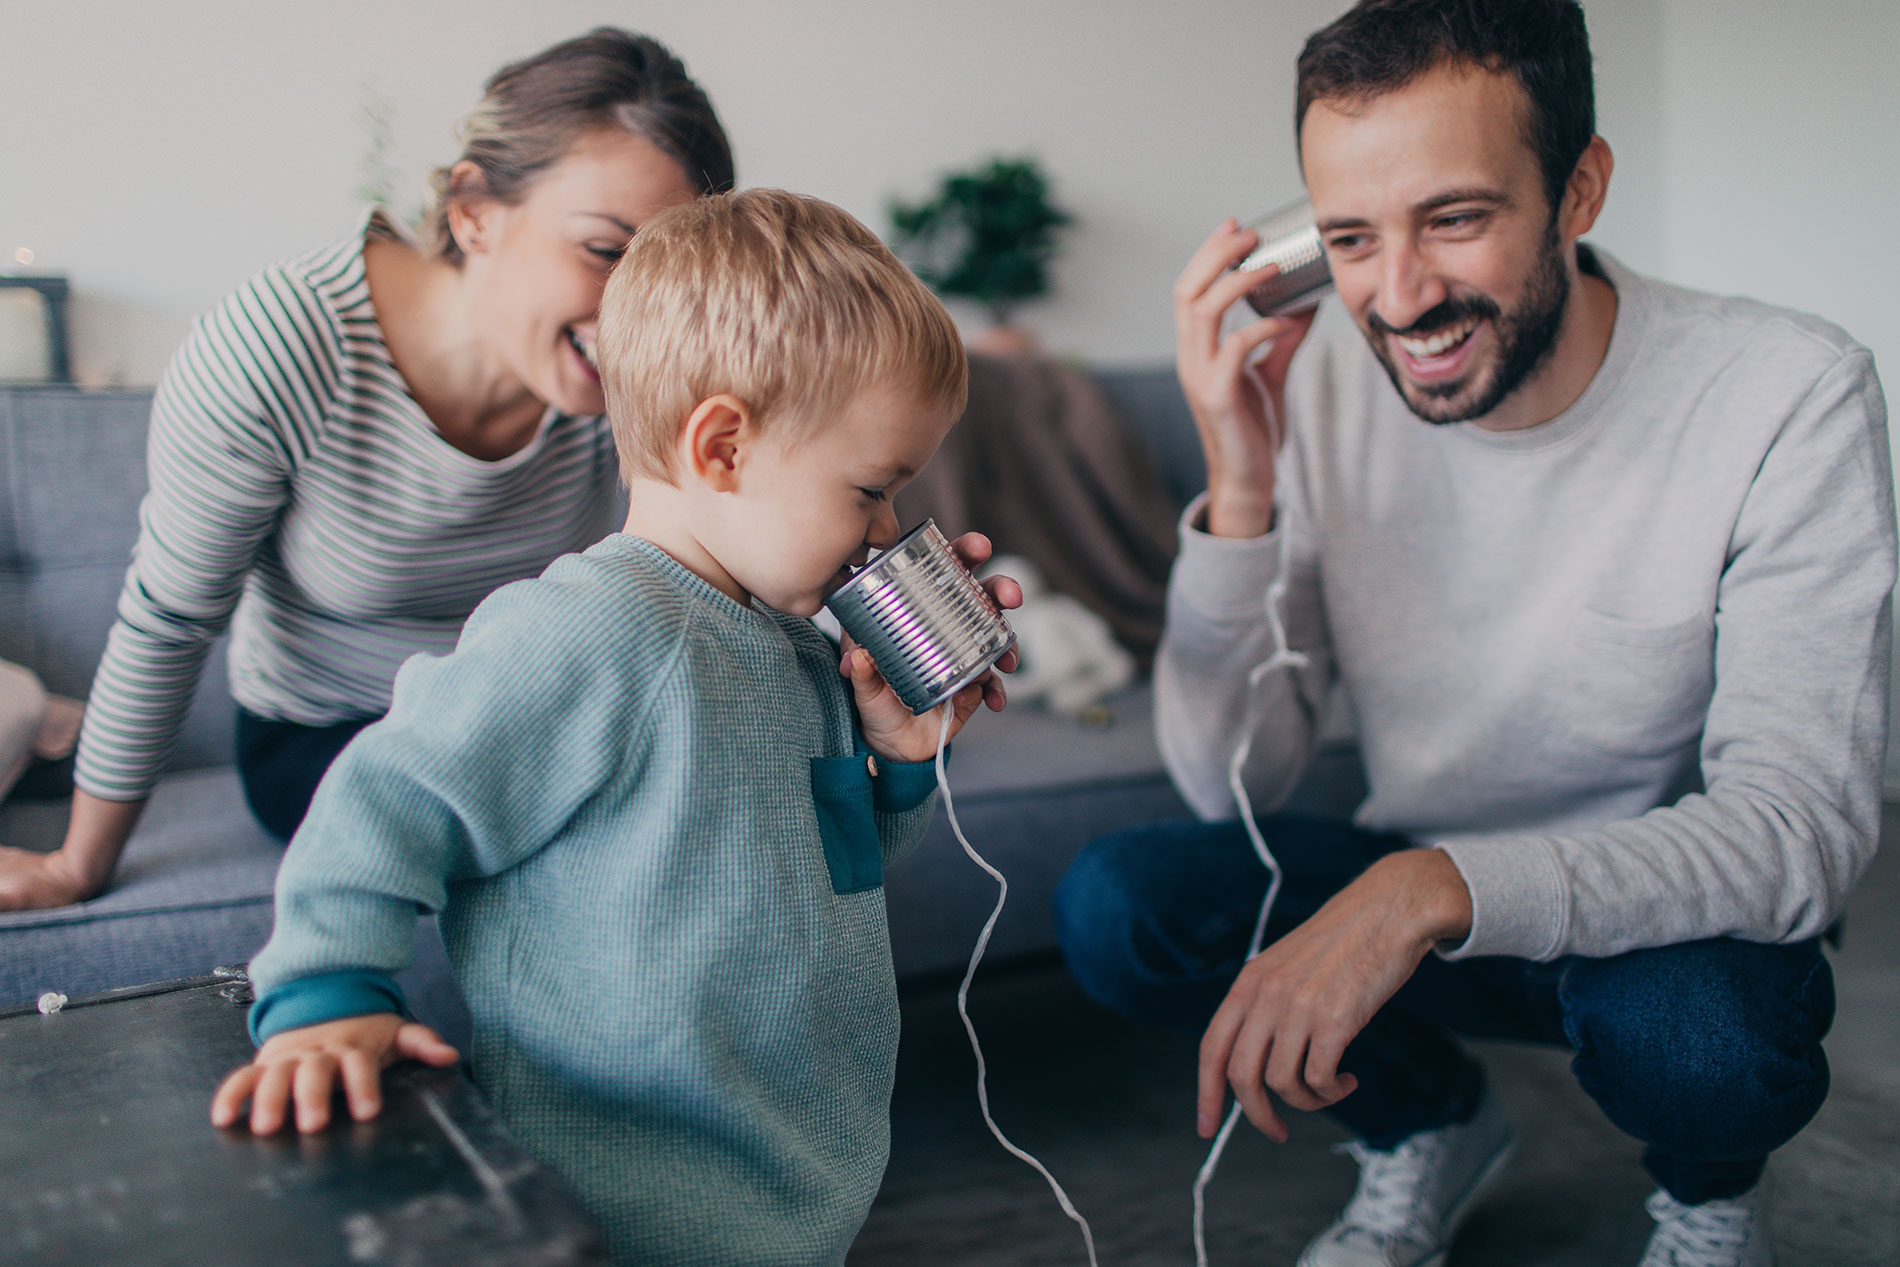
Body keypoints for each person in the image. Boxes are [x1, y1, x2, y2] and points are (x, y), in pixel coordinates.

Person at [1052, 2, 1894, 1265]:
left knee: (1705, 1042)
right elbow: (1231, 779)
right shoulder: (1331, 375)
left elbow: (1801, 833)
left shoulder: (1789, 391)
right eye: (1348, 237)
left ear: (1580, 187)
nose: (1398, 299)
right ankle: (1427, 1124)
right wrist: (1239, 490)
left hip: (1662, 935)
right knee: (1124, 903)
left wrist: (1426, 886)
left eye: (1454, 217)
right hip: (1427, 896)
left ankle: (1708, 1202)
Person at [209, 189, 1020, 1267]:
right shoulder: (584, 631)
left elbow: (839, 873)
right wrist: (325, 991)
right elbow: (385, 796)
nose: (885, 533)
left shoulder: (800, 651)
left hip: (790, 1191)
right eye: (871, 489)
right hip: (621, 1201)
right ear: (723, 445)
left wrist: (905, 762)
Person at [0, 28, 734, 910]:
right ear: (474, 210)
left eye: (662, 271)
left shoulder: (649, 366)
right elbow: (169, 621)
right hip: (332, 737)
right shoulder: (284, 344)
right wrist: (76, 865)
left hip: (532, 719)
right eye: (606, 252)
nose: (631, 317)